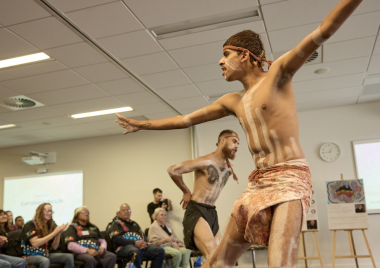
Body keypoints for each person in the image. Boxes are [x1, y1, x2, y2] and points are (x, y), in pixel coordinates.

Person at [115, 1, 363, 266]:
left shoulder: (279, 74)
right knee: (215, 262)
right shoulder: (232, 101)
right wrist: (144, 125)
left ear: (244, 55)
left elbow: (325, 29)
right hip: (258, 182)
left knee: (278, 262)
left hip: (290, 177)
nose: (220, 61)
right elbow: (186, 120)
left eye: (226, 54)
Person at [167, 130, 239, 261]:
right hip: (196, 210)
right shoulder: (206, 161)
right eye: (234, 141)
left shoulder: (229, 168)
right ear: (222, 140)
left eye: (238, 143)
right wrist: (186, 192)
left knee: (220, 258)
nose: (237, 146)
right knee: (212, 256)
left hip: (211, 212)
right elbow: (173, 170)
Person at [107, 203, 165, 268]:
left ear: (130, 212)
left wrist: (143, 243)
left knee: (159, 251)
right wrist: (134, 243)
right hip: (123, 247)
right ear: (119, 213)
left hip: (139, 246)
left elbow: (143, 235)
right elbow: (116, 238)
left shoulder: (134, 224)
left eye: (128, 210)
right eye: (124, 210)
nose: (126, 212)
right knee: (135, 251)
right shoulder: (115, 224)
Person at [20, 203, 74, 268]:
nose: (50, 213)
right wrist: (54, 233)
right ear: (40, 211)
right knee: (45, 261)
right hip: (29, 256)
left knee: (69, 257)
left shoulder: (49, 226)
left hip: (45, 254)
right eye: (47, 210)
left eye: (51, 211)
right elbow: (35, 243)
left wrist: (58, 233)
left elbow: (54, 247)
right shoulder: (30, 224)